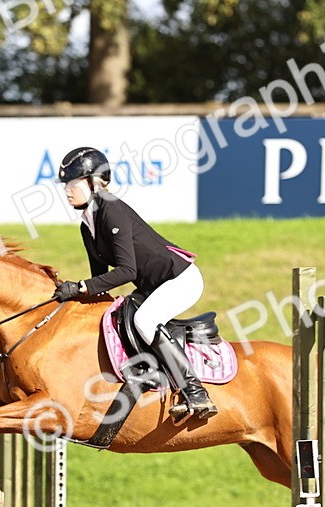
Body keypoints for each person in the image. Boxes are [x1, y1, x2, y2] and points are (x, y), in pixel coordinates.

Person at [51, 146, 218, 421]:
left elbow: (127, 271)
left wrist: (81, 286)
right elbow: (100, 279)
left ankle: (195, 391)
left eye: (73, 183)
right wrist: (71, 295)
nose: (67, 190)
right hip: (153, 285)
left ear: (94, 182)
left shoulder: (112, 210)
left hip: (180, 279)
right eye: (65, 185)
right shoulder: (87, 224)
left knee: (145, 320)